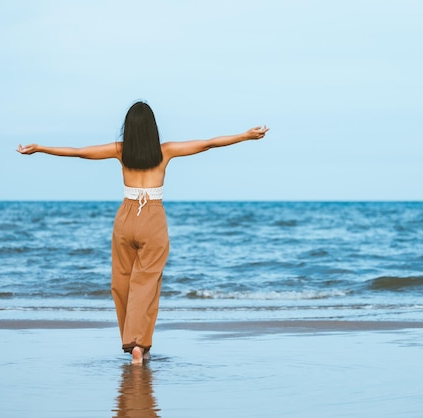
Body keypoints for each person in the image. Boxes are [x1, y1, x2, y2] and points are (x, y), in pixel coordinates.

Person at [17, 101, 268, 363]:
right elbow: (208, 144)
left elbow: (80, 152)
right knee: (146, 284)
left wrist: (41, 148)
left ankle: (133, 344)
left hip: (125, 218)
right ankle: (139, 345)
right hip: (153, 218)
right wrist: (245, 136)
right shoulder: (165, 151)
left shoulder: (120, 151)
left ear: (129, 129)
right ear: (153, 128)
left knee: (122, 283)